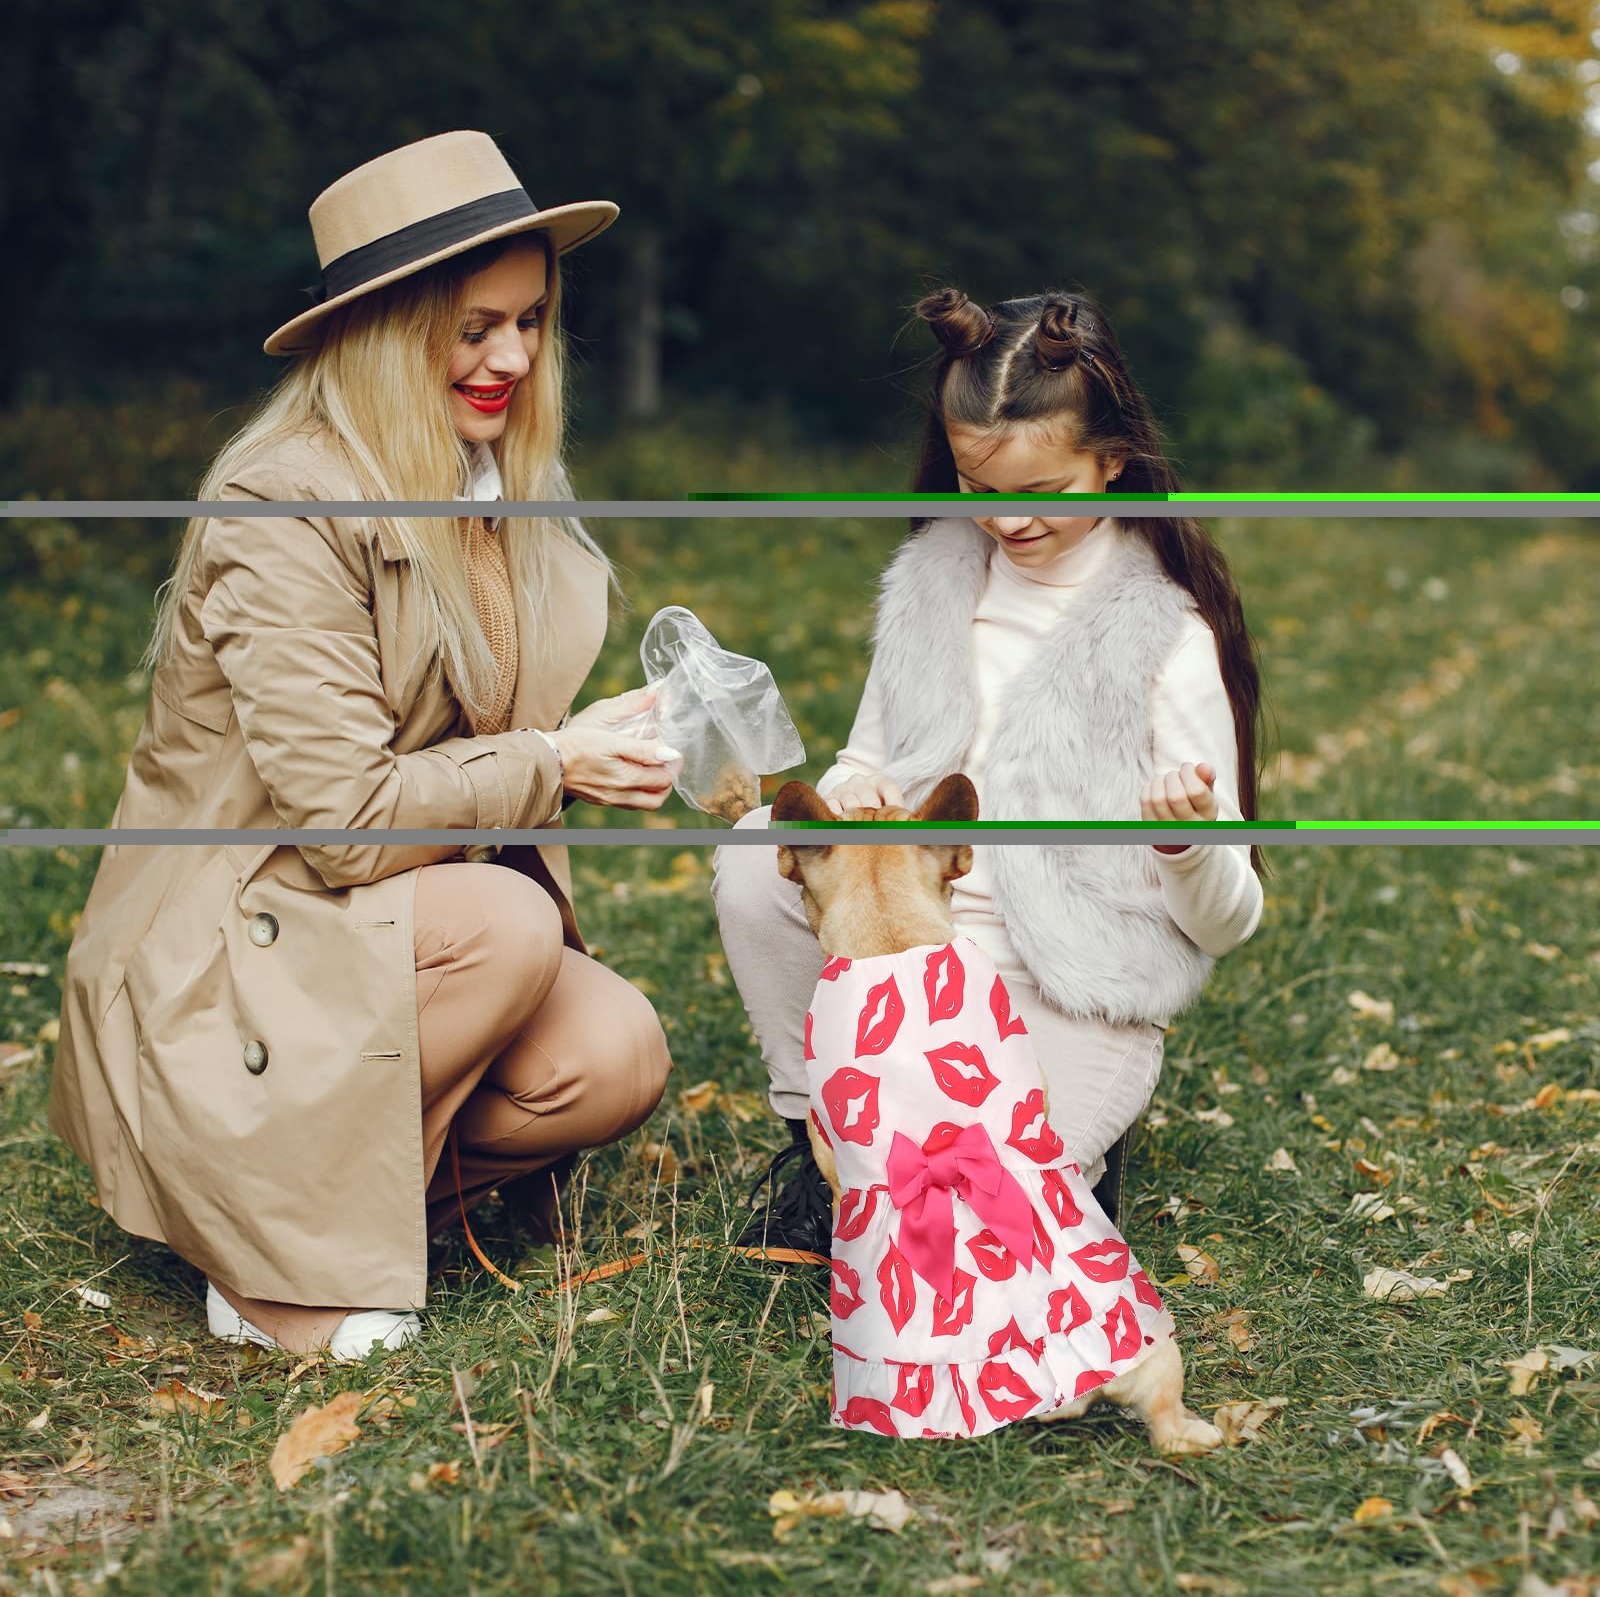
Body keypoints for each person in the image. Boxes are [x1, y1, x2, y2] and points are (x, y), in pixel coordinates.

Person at [51, 131, 677, 1359]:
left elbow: (485, 732)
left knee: (614, 1055)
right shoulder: (284, 502)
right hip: (235, 936)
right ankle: (264, 1267)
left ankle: (329, 1216)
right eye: (473, 328)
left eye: (530, 321)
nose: (514, 357)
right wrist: (556, 762)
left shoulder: (491, 485)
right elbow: (345, 824)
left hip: (358, 927)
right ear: (387, 333)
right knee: (506, 925)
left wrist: (618, 741)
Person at [712, 286, 1267, 1265]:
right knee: (758, 858)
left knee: (978, 1231)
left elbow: (1228, 923)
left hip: (1057, 985)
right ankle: (820, 1136)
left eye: (1042, 491)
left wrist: (1187, 843)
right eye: (978, 487)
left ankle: (1076, 1141)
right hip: (905, 962)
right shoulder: (932, 584)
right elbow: (866, 759)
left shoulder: (1165, 639)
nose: (1007, 519)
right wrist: (855, 792)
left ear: (1112, 460)